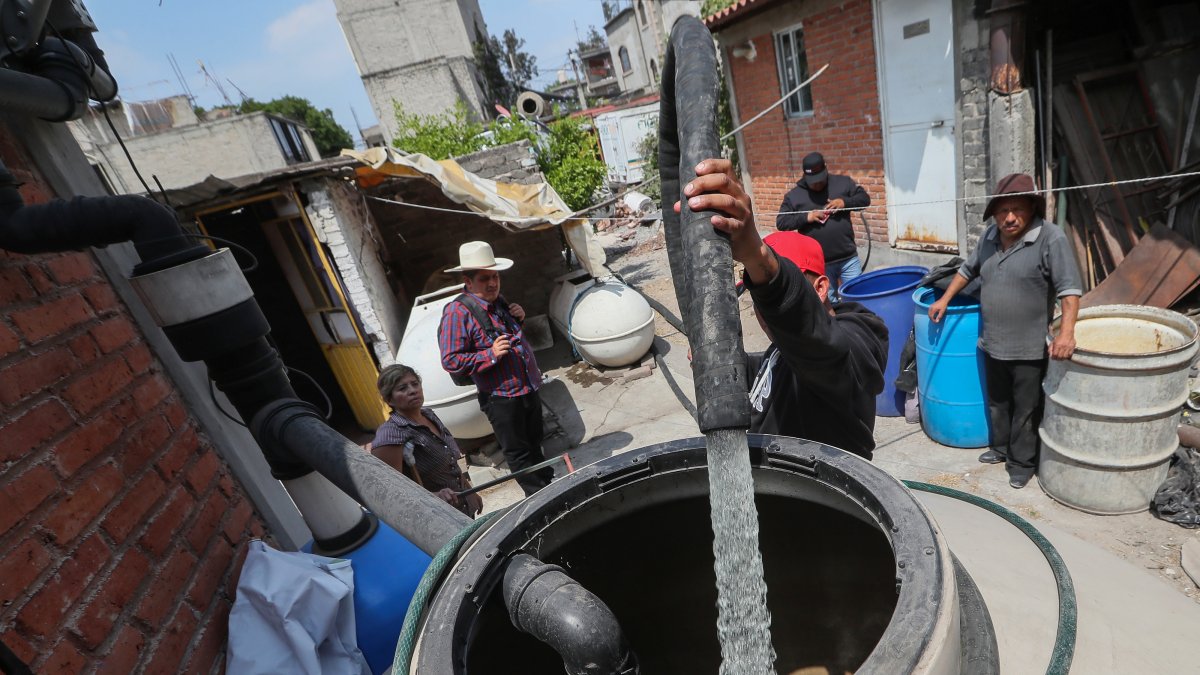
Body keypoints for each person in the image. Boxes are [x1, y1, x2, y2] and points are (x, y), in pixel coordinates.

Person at [678, 158, 889, 459]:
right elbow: (772, 372)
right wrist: (726, 361)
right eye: (756, 292)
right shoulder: (784, 347)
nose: (763, 308)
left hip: (824, 497)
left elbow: (821, 344)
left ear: (820, 288)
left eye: (770, 290)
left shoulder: (859, 339)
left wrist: (758, 255)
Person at [928, 173, 1082, 489]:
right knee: (998, 401)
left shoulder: (1051, 238)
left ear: (1032, 209)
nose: (1009, 218)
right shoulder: (988, 237)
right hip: (991, 342)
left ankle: (1022, 463)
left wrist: (1066, 334)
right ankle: (1000, 448)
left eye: (1017, 210)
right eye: (1002, 211)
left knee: (1026, 408)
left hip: (1028, 348)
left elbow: (1070, 290)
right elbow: (966, 270)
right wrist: (944, 298)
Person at [437, 241, 554, 496]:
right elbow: (451, 360)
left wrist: (518, 319)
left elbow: (508, 338)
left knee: (535, 442)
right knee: (518, 452)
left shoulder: (498, 301)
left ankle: (548, 482)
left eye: (495, 276)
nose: (492, 283)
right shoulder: (457, 313)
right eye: (484, 278)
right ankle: (538, 495)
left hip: (526, 388)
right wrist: (489, 355)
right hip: (501, 397)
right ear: (468, 282)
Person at [372, 364, 483, 517]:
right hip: (436, 518)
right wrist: (434, 496)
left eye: (415, 384)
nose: (412, 390)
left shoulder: (429, 415)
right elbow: (391, 489)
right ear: (389, 400)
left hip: (462, 509)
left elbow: (451, 465)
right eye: (402, 388)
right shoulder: (391, 434)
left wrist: (470, 492)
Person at [775, 152, 871, 302]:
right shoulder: (794, 196)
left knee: (858, 298)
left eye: (820, 180)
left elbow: (865, 200)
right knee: (829, 304)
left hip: (848, 259)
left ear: (826, 169)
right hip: (819, 264)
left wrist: (844, 202)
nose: (817, 184)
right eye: (813, 181)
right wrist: (807, 217)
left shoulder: (842, 183)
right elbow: (781, 222)